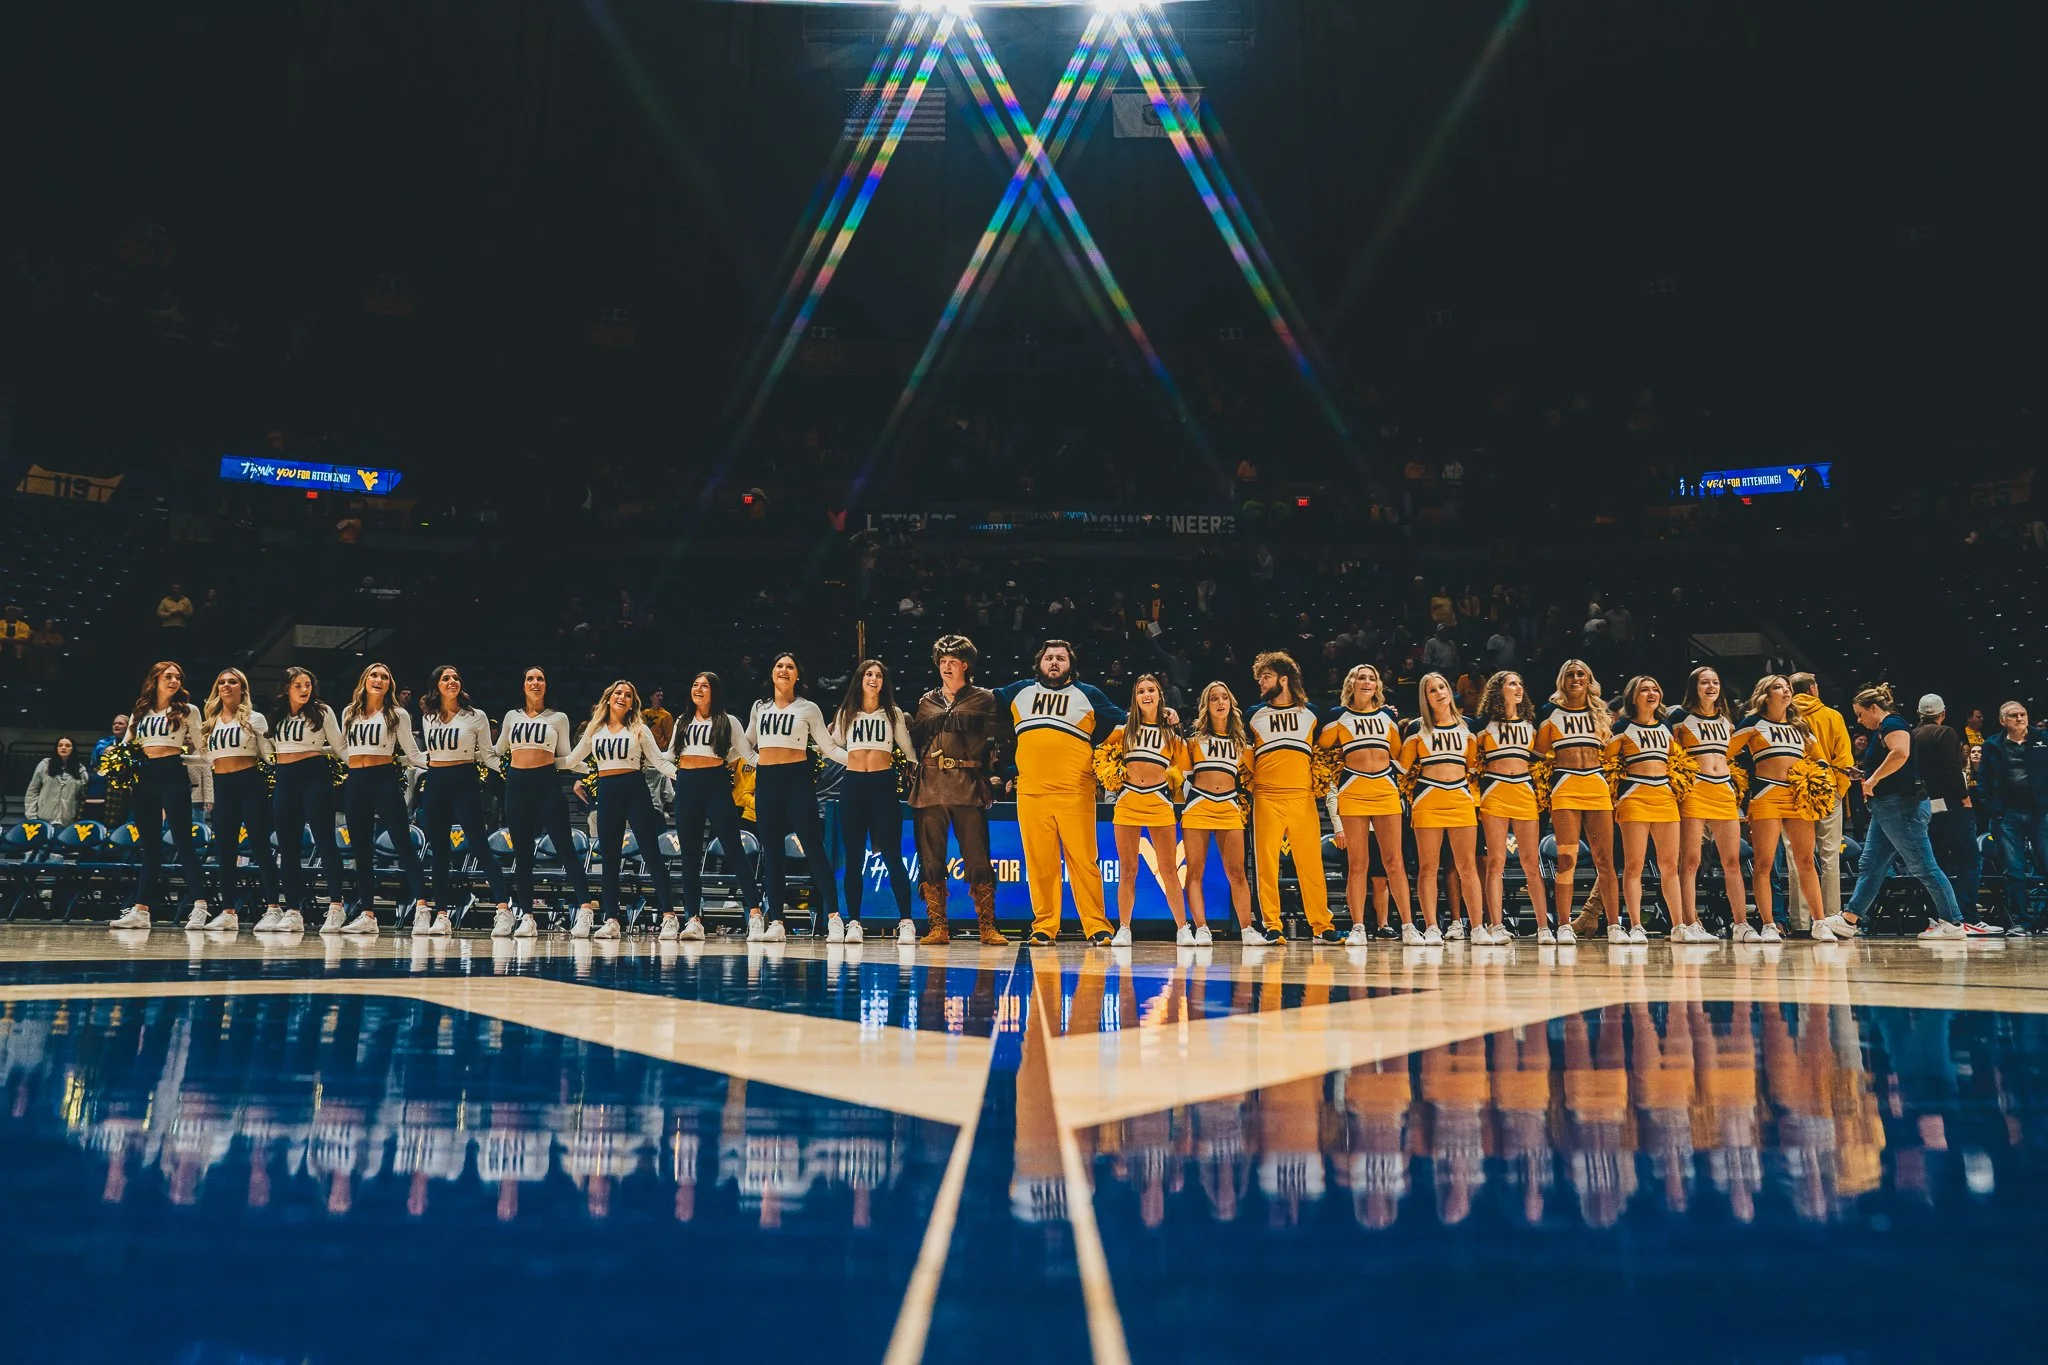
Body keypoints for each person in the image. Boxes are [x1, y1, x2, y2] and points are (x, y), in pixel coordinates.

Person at [997, 640, 1126, 945]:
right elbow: (980, 700)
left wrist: (1164, 714)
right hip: (1030, 792)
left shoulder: (1088, 693)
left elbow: (1125, 719)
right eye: (1049, 658)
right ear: (1039, 663)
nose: (1054, 662)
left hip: (1075, 791)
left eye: (1061, 658)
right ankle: (1044, 925)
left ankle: (1097, 926)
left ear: (1071, 664)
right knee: (1040, 862)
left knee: (1084, 860)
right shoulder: (1019, 691)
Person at [906, 635, 1010, 946]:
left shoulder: (984, 699)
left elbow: (1003, 740)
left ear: (965, 665)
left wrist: (999, 774)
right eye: (942, 662)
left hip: (967, 784)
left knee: (978, 857)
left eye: (953, 662)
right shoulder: (926, 702)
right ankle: (937, 927)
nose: (947, 667)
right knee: (931, 859)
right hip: (930, 787)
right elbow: (914, 742)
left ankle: (987, 927)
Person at [1842, 684, 1966, 941]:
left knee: (1923, 865)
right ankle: (1849, 919)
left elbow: (1901, 752)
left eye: (1859, 713)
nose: (1858, 720)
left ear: (1873, 708)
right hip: (1888, 807)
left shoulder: (1892, 723)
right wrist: (1866, 775)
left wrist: (1872, 780)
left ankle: (1953, 922)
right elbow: (1897, 762)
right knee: (1871, 864)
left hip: (1901, 807)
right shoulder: (1884, 728)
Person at [1729, 675, 1845, 943]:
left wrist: (1818, 776)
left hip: (1797, 797)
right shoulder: (1753, 723)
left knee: (1806, 860)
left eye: (1787, 687)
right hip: (1766, 795)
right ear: (1764, 694)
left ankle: (1819, 922)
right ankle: (1769, 923)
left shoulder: (1800, 725)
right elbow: (1725, 753)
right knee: (1764, 863)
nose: (1785, 691)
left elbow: (1821, 760)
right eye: (1778, 687)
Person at [745, 653, 847, 942]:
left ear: (798, 675)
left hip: (797, 781)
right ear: (772, 672)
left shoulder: (809, 708)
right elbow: (746, 741)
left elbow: (827, 747)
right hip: (767, 782)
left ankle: (834, 918)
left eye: (790, 666)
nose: (784, 670)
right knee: (772, 853)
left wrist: (857, 759)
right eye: (779, 666)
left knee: (814, 848)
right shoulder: (759, 707)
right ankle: (777, 920)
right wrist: (753, 761)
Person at [565, 680, 677, 939]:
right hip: (607, 792)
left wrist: (684, 775)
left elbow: (659, 762)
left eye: (628, 695)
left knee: (651, 854)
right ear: (608, 698)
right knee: (610, 860)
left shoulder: (639, 728)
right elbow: (572, 760)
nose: (622, 697)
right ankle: (611, 919)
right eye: (618, 693)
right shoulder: (595, 729)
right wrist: (539, 760)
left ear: (632, 703)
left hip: (634, 790)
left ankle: (669, 916)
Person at [1245, 650, 1342, 945]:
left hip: (1302, 796)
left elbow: (1331, 743)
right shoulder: (1253, 715)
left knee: (1311, 864)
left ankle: (1321, 925)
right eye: (1259, 678)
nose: (1261, 683)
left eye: (1266, 677)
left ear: (1283, 679)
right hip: (1266, 797)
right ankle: (1272, 925)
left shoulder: (1311, 713)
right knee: (1267, 864)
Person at [108, 661, 210, 930]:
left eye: (178, 676)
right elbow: (126, 746)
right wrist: (115, 758)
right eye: (168, 676)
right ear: (155, 680)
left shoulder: (188, 710)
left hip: (172, 774)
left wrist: (179, 758)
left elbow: (203, 751)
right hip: (144, 777)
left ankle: (200, 906)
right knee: (150, 845)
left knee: (182, 841)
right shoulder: (140, 710)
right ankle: (142, 910)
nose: (174, 680)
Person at [496, 667, 596, 939]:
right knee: (522, 854)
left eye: (540, 678)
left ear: (546, 685)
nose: (535, 682)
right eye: (530, 678)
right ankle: (527, 916)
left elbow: (565, 757)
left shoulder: (558, 718)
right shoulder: (510, 717)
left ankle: (586, 910)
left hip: (547, 785)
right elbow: (497, 752)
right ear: (523, 685)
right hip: (516, 786)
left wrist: (592, 768)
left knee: (565, 848)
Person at [1321, 665, 1418, 944]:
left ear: (1377, 685)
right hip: (1353, 791)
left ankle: (1409, 926)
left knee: (1394, 861)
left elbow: (1398, 754)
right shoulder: (1338, 717)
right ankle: (1358, 927)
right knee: (1358, 863)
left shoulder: (1387, 716)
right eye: (1361, 677)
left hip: (1385, 791)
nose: (1367, 682)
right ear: (1351, 683)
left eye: (1372, 678)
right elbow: (1321, 752)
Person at [415, 665, 512, 937]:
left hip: (464, 781)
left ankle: (503, 910)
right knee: (439, 851)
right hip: (435, 783)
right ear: (437, 685)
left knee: (480, 846)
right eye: (446, 678)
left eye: (456, 677)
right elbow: (426, 755)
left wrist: (510, 771)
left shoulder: (475, 716)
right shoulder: (429, 717)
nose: (452, 681)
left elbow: (489, 754)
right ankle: (442, 914)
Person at [1099, 674, 1192, 946]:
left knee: (1169, 870)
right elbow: (1101, 756)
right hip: (1128, 802)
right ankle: (1124, 928)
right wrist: (1111, 784)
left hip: (1158, 802)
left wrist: (1178, 723)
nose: (1146, 694)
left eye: (1151, 690)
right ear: (1135, 698)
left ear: (1160, 696)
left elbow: (1187, 769)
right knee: (1127, 870)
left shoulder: (1171, 736)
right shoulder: (1124, 728)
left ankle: (1182, 928)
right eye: (1141, 691)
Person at [337, 662, 430, 934]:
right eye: (374, 675)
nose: (379, 679)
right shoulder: (349, 713)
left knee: (403, 844)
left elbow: (412, 754)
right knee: (361, 850)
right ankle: (367, 914)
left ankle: (423, 910)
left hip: (384, 780)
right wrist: (353, 764)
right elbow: (344, 747)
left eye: (385, 677)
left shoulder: (397, 714)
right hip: (356, 782)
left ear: (390, 684)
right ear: (365, 680)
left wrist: (443, 761)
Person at [829, 660, 916, 944]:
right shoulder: (846, 713)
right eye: (868, 674)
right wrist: (850, 759)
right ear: (859, 679)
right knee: (854, 858)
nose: (873, 678)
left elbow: (909, 751)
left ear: (884, 683)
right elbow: (829, 745)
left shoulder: (893, 714)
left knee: (892, 856)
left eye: (879, 675)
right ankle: (854, 921)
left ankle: (906, 921)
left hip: (883, 786)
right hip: (853, 787)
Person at [667, 671, 759, 942]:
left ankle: (755, 913)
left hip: (716, 785)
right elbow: (670, 754)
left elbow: (747, 753)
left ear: (714, 691)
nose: (698, 689)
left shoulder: (728, 721)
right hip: (687, 786)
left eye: (704, 686)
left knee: (734, 849)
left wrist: (773, 764)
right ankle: (693, 919)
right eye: (695, 684)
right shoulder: (682, 721)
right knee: (689, 857)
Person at [1399, 673, 1489, 941]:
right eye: (1431, 690)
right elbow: (1402, 769)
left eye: (1442, 687)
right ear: (1425, 698)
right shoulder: (1417, 729)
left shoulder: (1468, 728)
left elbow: (1472, 768)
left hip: (1460, 798)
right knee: (1428, 867)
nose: (1439, 693)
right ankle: (1431, 927)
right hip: (1428, 799)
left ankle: (1477, 927)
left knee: (1467, 866)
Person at [1534, 660, 1619, 939]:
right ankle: (1564, 924)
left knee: (1605, 860)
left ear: (1589, 678)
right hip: (1566, 785)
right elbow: (1540, 751)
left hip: (1596, 783)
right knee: (1566, 858)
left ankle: (1614, 925)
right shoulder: (1550, 712)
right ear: (1562, 679)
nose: (1575, 678)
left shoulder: (1600, 713)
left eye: (1581, 673)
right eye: (1569, 674)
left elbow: (1609, 750)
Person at [197, 667, 281, 933]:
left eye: (232, 682)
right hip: (223, 786)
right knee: (225, 851)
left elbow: (269, 754)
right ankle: (228, 911)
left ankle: (273, 909)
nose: (226, 686)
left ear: (242, 688)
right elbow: (205, 757)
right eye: (221, 682)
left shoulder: (255, 719)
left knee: (259, 847)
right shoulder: (209, 722)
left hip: (250, 783)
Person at [266, 667, 348, 932]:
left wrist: (363, 767)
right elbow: (268, 749)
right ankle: (293, 910)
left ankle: (336, 906)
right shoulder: (277, 713)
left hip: (314, 776)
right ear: (286, 688)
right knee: (287, 847)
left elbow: (339, 745)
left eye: (308, 685)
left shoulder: (322, 711)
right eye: (298, 685)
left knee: (325, 841)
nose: (304, 689)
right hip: (284, 778)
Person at [1474, 671, 1553, 943]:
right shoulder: (1483, 725)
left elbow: (1541, 761)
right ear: (1498, 689)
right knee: (1495, 861)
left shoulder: (1532, 725)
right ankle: (1496, 925)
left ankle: (1543, 926)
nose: (1518, 688)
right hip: (1495, 792)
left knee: (1531, 861)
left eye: (1520, 683)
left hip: (1525, 792)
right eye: (1512, 684)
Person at [1605, 676, 1685, 942]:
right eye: (1644, 690)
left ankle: (1679, 926)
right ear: (1633, 696)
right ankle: (1636, 925)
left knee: (1670, 865)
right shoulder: (1623, 728)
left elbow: (1678, 759)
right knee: (1634, 865)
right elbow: (1606, 759)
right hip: (1634, 798)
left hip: (1665, 798)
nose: (1651, 693)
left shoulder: (1665, 727)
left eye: (1655, 689)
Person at [1672, 667, 1748, 944]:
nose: (1711, 686)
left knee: (1732, 861)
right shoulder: (1680, 718)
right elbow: (1671, 755)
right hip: (1695, 790)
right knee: (1690, 861)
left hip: (1724, 790)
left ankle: (1741, 923)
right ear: (1695, 687)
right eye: (1704, 682)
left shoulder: (1727, 721)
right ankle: (1690, 922)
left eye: (1715, 682)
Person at [1180, 681, 1254, 944]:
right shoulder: (1194, 741)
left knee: (1237, 873)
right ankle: (1201, 927)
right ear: (1206, 706)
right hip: (1199, 805)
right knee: (1195, 871)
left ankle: (1247, 929)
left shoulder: (1242, 744)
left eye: (1225, 697)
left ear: (1231, 704)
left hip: (1229, 807)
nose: (1220, 702)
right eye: (1214, 698)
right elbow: (1186, 775)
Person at [1785, 672, 1854, 932]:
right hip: (1827, 789)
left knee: (1797, 856)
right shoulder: (1833, 716)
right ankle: (1830, 918)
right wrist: (1838, 789)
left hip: (1795, 789)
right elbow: (1844, 757)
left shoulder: (1786, 718)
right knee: (1830, 856)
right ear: (1814, 689)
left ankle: (1801, 922)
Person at [1912, 694, 1985, 931]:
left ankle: (1937, 918)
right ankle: (1968, 918)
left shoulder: (1911, 735)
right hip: (1953, 806)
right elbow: (1951, 770)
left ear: (1920, 713)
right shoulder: (1946, 733)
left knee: (1935, 863)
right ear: (1942, 714)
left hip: (1924, 806)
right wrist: (1965, 798)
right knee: (1969, 861)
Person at [1979, 701, 2048, 935]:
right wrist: (1992, 808)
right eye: (2013, 715)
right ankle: (2021, 922)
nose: (2020, 718)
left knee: (2046, 862)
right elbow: (1984, 780)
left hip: (2039, 812)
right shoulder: (1992, 745)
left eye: (2023, 714)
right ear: (2002, 721)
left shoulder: (2043, 739)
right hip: (2007, 815)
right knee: (2014, 870)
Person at [23, 738, 86, 825]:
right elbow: (32, 791)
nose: (63, 748)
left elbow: (83, 795)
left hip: (68, 821)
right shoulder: (45, 765)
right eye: (60, 745)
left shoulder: (80, 769)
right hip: (43, 819)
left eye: (68, 746)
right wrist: (32, 817)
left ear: (73, 749)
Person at [86, 714, 129, 821]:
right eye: (114, 723)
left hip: (122, 788)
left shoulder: (134, 744)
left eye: (120, 723)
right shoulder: (103, 743)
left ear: (128, 727)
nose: (116, 726)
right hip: (102, 783)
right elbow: (94, 764)